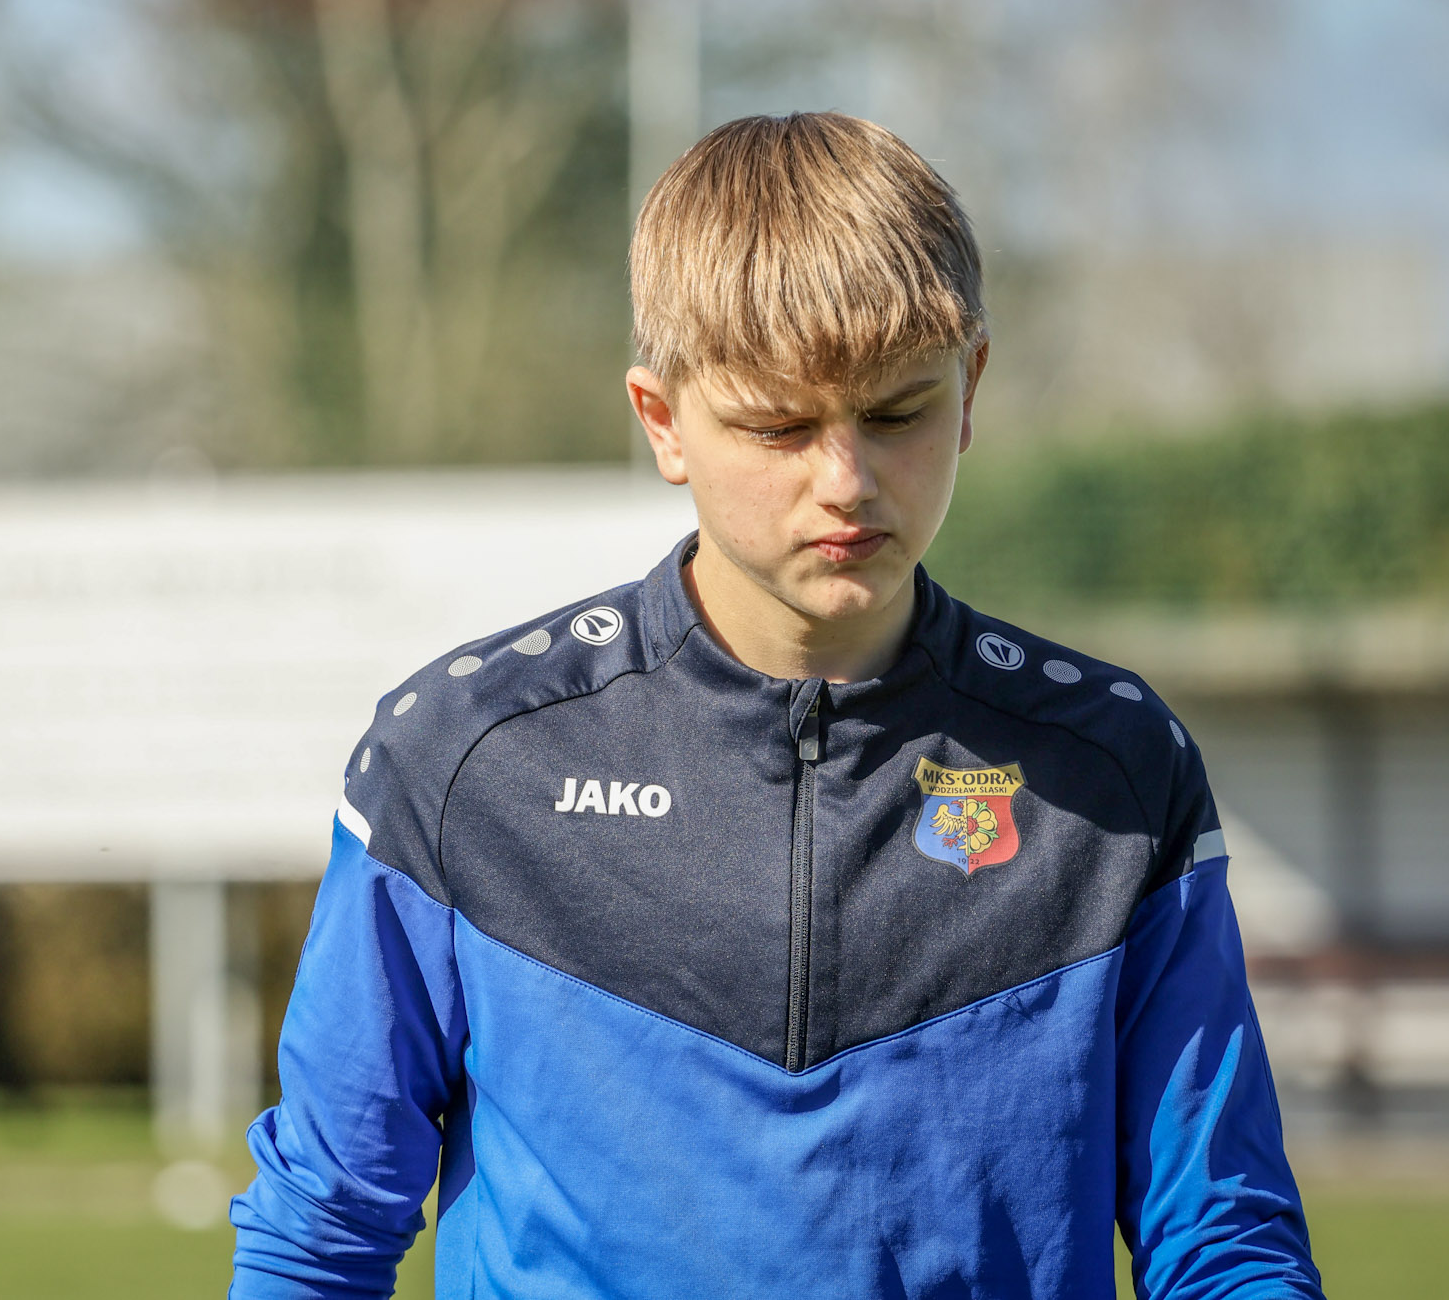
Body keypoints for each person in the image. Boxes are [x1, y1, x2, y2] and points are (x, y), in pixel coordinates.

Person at [230, 112, 1322, 1299]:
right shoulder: (462, 758)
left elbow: (1222, 1242)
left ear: (968, 390)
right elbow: (320, 1230)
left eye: (895, 413)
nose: (844, 480)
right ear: (662, 422)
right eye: (778, 426)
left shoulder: (1109, 764)